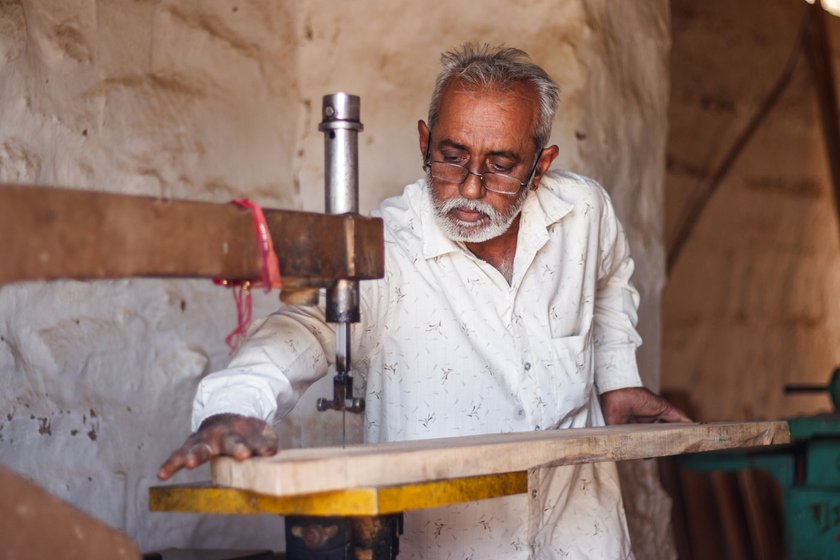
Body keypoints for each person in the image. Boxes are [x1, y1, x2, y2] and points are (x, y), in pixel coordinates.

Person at [158, 43, 689, 559]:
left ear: (541, 165)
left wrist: (617, 378)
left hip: (580, 528)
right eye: (451, 157)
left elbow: (611, 277)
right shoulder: (388, 248)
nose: (471, 189)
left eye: (502, 165)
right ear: (424, 142)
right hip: (452, 542)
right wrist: (234, 406)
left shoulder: (582, 212)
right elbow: (308, 327)